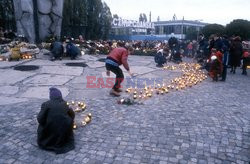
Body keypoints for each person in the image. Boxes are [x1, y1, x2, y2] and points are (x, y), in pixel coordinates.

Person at [37, 88, 75, 154]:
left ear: (51, 96)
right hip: (62, 133)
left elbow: (40, 119)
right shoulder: (64, 104)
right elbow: (72, 115)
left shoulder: (46, 104)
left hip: (49, 132)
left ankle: (49, 140)